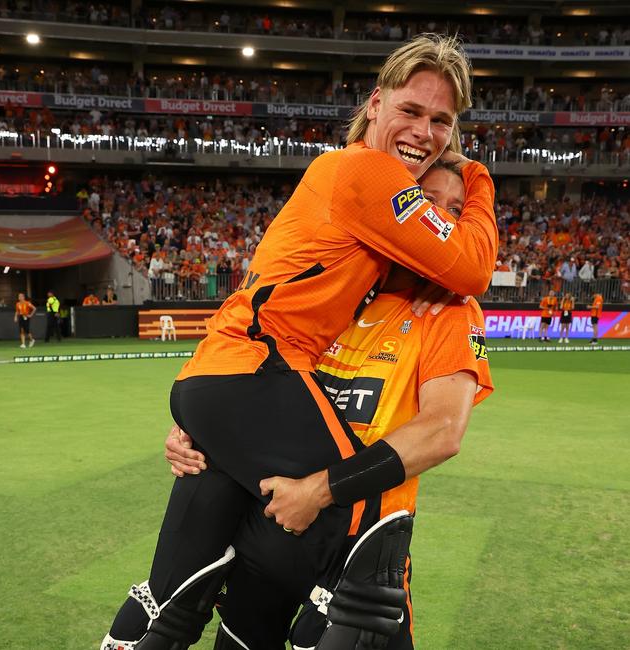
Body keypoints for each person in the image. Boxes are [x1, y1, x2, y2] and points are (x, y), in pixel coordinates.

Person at [102, 34, 498, 650]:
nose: (424, 130)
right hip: (254, 374)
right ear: (374, 104)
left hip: (240, 385)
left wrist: (211, 430)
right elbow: (471, 265)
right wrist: (475, 177)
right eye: (411, 111)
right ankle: (324, 619)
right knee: (363, 519)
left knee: (184, 584)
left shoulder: (382, 283)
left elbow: (444, 425)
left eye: (441, 120)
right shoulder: (365, 173)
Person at [164, 162, 495, 649]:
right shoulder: (339, 291)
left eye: (455, 211)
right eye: (428, 203)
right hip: (267, 533)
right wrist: (195, 434)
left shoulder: (449, 310)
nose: (441, 223)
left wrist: (318, 492)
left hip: (356, 555)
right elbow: (256, 385)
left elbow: (443, 431)